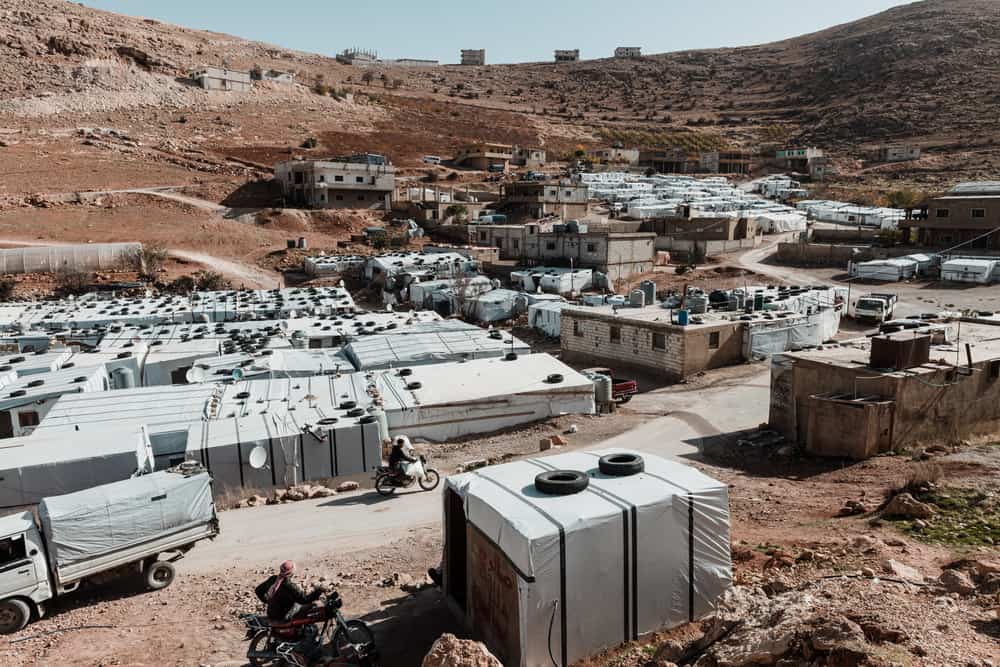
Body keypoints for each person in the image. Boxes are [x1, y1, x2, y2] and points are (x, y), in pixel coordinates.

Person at [255, 560, 323, 622]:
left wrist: (267, 601)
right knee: (311, 606)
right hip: (283, 616)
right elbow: (304, 600)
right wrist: (319, 591)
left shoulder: (273, 579)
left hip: (271, 613)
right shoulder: (290, 586)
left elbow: (258, 590)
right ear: (291, 573)